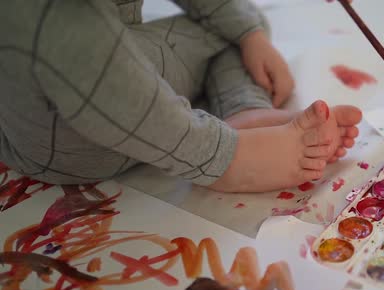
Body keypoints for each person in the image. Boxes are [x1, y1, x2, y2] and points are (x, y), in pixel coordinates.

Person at [0, 0, 362, 193]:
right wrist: (224, 160)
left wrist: (249, 33)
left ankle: (245, 110)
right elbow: (82, 54)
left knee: (241, 24)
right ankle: (240, 119)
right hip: (70, 130)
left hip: (21, 117)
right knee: (234, 29)